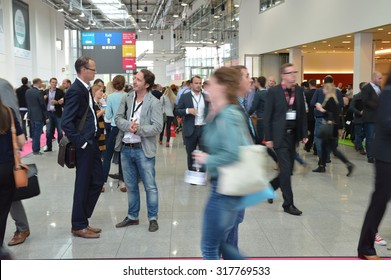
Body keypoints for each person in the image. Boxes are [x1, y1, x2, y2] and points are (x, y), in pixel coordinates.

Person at [193, 67, 247, 260]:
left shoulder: (230, 114)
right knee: (223, 244)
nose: (208, 87)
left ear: (223, 87)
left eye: (213, 83)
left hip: (225, 190)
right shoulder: (221, 112)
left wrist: (208, 159)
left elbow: (234, 153)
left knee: (209, 247)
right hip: (222, 187)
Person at [114, 69, 163, 232]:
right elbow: (117, 118)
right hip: (126, 148)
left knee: (150, 186)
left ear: (147, 84)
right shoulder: (126, 98)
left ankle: (153, 218)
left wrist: (138, 129)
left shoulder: (154, 102)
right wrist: (129, 126)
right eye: (134, 78)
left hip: (143, 149)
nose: (134, 81)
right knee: (131, 186)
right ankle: (133, 216)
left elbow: (157, 126)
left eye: (138, 80)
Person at [61, 56, 104, 239]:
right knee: (83, 184)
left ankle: (82, 219)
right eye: (93, 69)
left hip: (92, 142)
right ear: (83, 70)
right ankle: (78, 224)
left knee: (98, 180)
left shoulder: (86, 89)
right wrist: (82, 143)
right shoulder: (75, 91)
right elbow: (66, 123)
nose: (95, 72)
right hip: (85, 145)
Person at [263, 63, 308, 216]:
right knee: (286, 169)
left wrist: (304, 133)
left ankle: (269, 188)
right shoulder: (274, 92)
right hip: (279, 136)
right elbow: (267, 116)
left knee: (287, 171)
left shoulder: (299, 90)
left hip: (293, 136)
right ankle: (288, 204)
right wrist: (268, 137)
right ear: (282, 75)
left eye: (294, 72)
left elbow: (302, 113)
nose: (293, 75)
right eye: (289, 73)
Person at [357, 69, 391, 260]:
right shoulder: (387, 93)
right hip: (387, 157)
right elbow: (386, 123)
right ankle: (365, 248)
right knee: (379, 202)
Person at [0, 78, 30, 249]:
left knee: (9, 198)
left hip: (7, 159)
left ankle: (22, 227)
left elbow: (12, 117)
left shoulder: (2, 85)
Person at [312, 83, 354, 176]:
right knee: (325, 147)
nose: (322, 90)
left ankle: (348, 164)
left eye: (324, 89)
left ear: (327, 90)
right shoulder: (332, 100)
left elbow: (330, 114)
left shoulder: (330, 100)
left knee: (333, 150)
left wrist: (321, 109)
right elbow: (336, 114)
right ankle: (322, 166)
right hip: (332, 127)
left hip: (330, 127)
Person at [175, 76, 209, 171]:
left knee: (203, 153)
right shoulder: (185, 97)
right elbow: (177, 111)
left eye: (200, 83)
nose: (198, 85)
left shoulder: (206, 97)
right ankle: (192, 174)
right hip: (190, 129)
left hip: (203, 129)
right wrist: (187, 110)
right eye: (196, 83)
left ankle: (202, 174)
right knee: (191, 154)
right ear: (191, 85)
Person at [102, 75, 127, 192]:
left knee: (107, 156)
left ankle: (102, 183)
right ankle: (122, 183)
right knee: (123, 156)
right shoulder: (128, 96)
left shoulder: (110, 97)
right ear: (124, 84)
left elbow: (108, 115)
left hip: (114, 128)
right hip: (125, 129)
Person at [362, 71, 383, 163]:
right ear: (374, 77)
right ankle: (370, 156)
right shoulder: (366, 88)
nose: (381, 80)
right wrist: (378, 105)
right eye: (379, 78)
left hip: (378, 117)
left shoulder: (379, 88)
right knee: (370, 137)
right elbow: (365, 101)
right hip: (370, 117)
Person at [25, 78, 46, 155]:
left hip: (31, 114)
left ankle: (34, 149)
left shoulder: (28, 91)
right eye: (41, 82)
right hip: (38, 115)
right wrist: (46, 115)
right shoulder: (39, 93)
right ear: (38, 82)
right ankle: (36, 150)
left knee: (33, 132)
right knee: (37, 133)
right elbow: (42, 104)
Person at [43, 77, 64, 152]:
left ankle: (61, 147)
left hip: (57, 113)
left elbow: (64, 101)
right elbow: (42, 103)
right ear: (50, 83)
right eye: (53, 82)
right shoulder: (45, 92)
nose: (54, 84)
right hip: (48, 113)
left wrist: (58, 102)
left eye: (55, 82)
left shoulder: (60, 92)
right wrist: (44, 99)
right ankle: (49, 147)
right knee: (48, 131)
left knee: (60, 131)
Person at [92, 84, 106, 157]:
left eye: (102, 91)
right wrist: (104, 110)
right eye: (100, 91)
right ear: (94, 91)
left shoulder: (98, 103)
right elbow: (95, 116)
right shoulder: (92, 104)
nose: (102, 93)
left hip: (101, 131)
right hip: (96, 132)